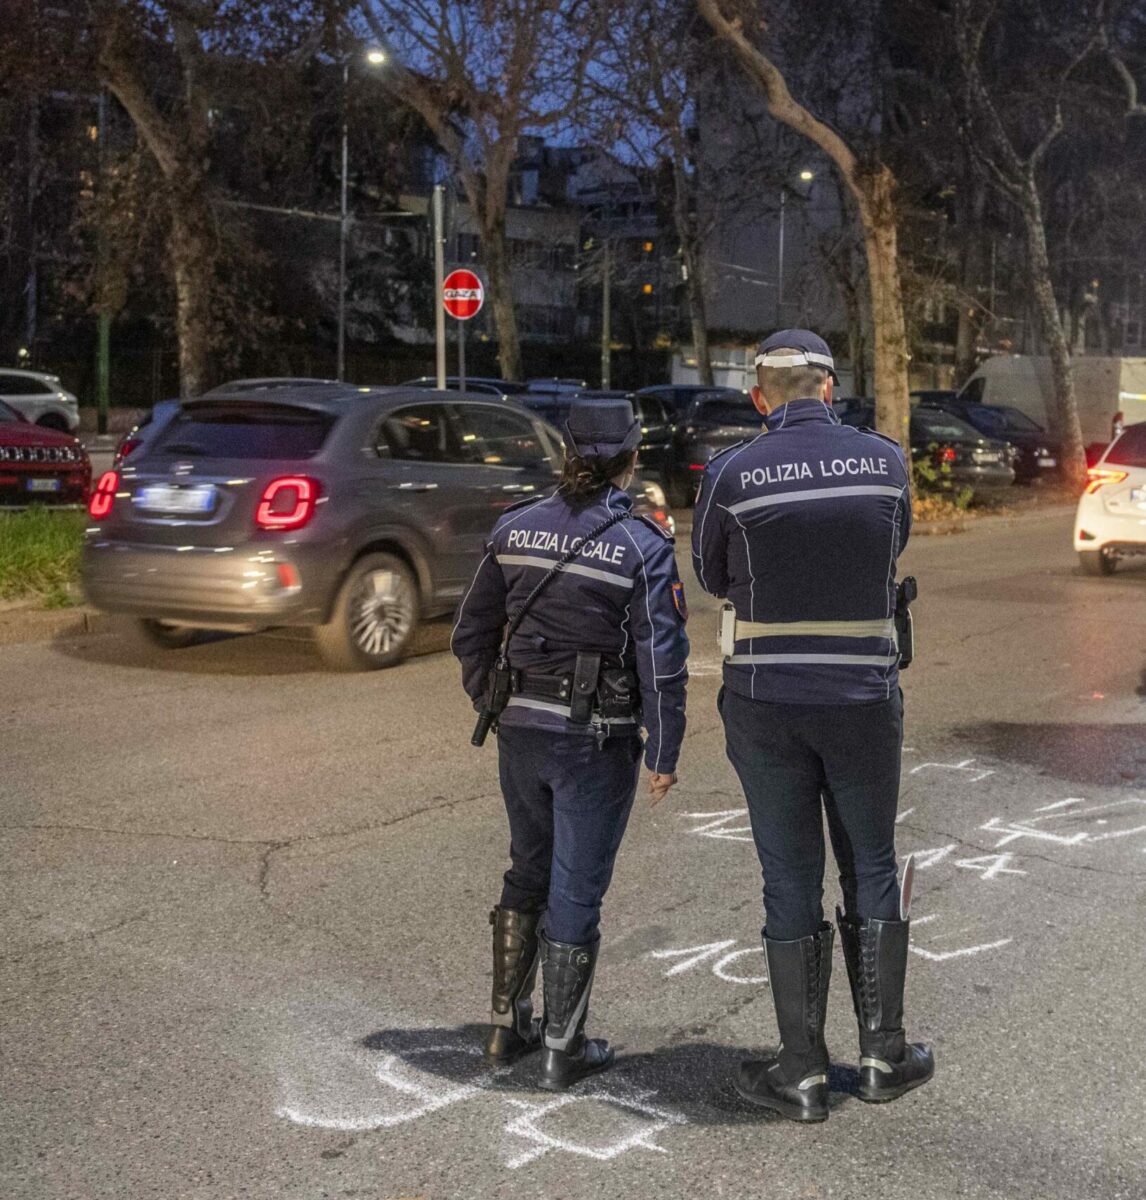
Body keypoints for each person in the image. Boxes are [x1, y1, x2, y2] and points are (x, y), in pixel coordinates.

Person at [692, 330, 933, 1123]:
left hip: (766, 701)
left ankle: (801, 1070)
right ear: (830, 389)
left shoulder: (730, 473)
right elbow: (891, 547)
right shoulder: (886, 462)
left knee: (787, 874)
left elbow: (711, 571)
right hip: (863, 698)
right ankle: (881, 1056)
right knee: (871, 857)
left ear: (761, 397)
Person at [452, 397, 688, 1091]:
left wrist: (491, 697)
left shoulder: (514, 528)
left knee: (527, 867)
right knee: (576, 887)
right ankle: (562, 1045)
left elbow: (470, 631)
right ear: (631, 459)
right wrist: (663, 751)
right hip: (594, 739)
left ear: (566, 455)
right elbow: (662, 661)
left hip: (519, 731)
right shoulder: (641, 547)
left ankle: (506, 1026)